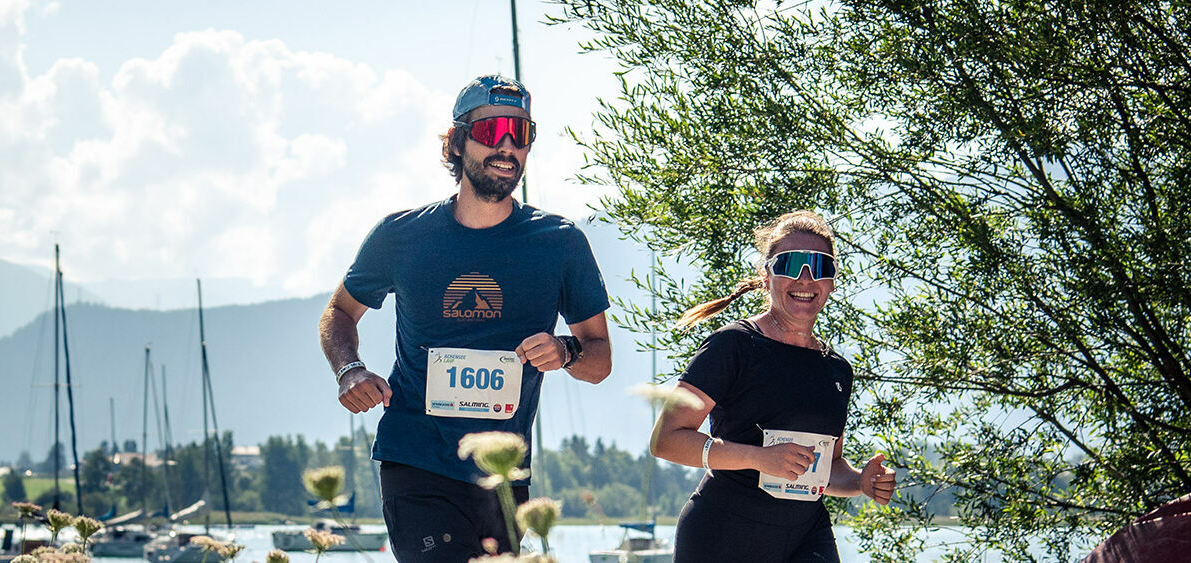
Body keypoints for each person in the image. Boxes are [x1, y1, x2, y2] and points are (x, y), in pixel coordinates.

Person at [319, 74, 613, 562]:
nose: (506, 146)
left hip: (502, 472)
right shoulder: (402, 235)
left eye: (521, 134)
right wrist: (349, 368)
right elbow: (339, 312)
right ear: (456, 141)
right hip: (415, 458)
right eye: (492, 129)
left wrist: (566, 351)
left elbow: (599, 360)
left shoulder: (559, 242)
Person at [648, 210, 897, 562]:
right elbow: (666, 440)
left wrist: (861, 482)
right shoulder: (733, 345)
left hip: (806, 538)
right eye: (791, 264)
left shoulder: (837, 371)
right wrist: (759, 459)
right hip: (722, 536)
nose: (805, 278)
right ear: (766, 276)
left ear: (832, 282)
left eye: (820, 266)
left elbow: (827, 469)